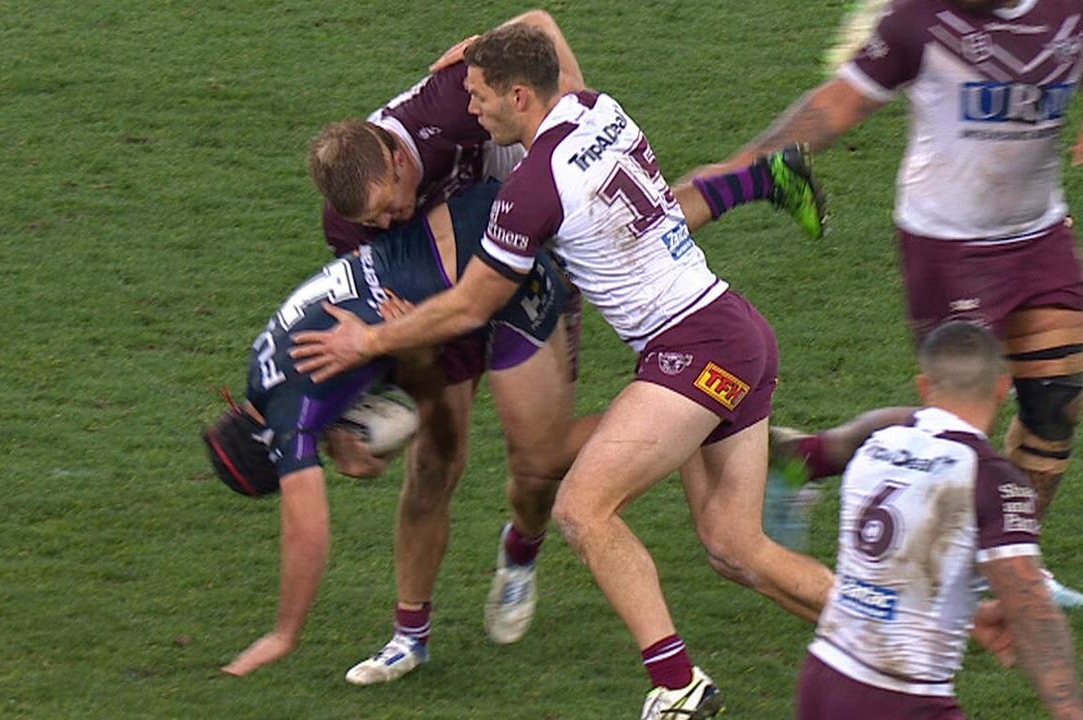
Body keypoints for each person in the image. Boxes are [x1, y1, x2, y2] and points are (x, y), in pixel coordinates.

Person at [290, 24, 834, 719]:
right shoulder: (597, 109)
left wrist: (373, 342)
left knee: (581, 507)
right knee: (734, 548)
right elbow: (650, 198)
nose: (474, 108)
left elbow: (471, 303)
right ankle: (891, 633)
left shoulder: (530, 190)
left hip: (696, 348)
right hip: (726, 328)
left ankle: (678, 686)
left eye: (484, 95)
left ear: (520, 94)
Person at [710, 0, 1083, 600]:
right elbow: (839, 103)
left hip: (1038, 233)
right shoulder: (919, 20)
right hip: (948, 246)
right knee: (957, 425)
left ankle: (1010, 562)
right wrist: (737, 170)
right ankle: (806, 456)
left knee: (1056, 403)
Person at [211, 182, 594, 677]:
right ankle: (410, 637)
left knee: (540, 462)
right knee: (433, 466)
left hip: (501, 277)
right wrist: (340, 424)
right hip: (451, 255)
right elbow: (342, 367)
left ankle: (678, 400)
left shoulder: (288, 426)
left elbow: (306, 534)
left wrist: (284, 634)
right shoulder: (261, 370)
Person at [797, 321, 1083, 720]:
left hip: (822, 677)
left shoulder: (877, 442)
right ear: (1002, 389)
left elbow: (892, 578)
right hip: (903, 697)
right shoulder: (993, 479)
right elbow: (1034, 615)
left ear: (925, 387)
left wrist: (969, 616)